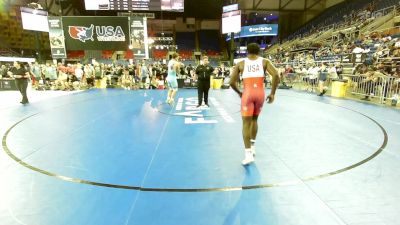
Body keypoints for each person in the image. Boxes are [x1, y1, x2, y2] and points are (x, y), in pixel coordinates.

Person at [230, 43, 279, 165]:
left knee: (246, 124)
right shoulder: (265, 61)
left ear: (247, 51)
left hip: (248, 94)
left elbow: (231, 82)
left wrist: (239, 93)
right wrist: (272, 93)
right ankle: (252, 147)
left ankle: (248, 155)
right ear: (259, 52)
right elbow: (276, 75)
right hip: (260, 94)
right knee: (254, 121)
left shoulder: (241, 63)